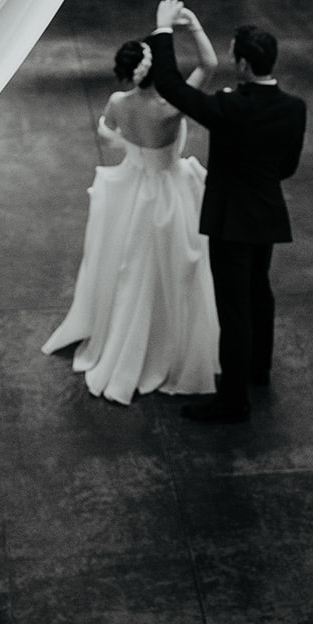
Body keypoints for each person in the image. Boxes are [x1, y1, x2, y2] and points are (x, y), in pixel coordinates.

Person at [41, 23, 221, 405]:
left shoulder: (118, 102)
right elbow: (209, 63)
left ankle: (126, 337)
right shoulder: (171, 107)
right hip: (168, 193)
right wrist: (188, 26)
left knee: (129, 267)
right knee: (172, 270)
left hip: (131, 187)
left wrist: (128, 145)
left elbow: (107, 129)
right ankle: (167, 343)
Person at [148, 0, 306, 424]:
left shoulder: (230, 108)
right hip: (267, 214)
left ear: (241, 65)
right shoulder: (294, 108)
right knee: (260, 292)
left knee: (234, 308)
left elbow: (171, 86)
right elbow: (287, 167)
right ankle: (260, 369)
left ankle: (233, 401)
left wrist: (163, 30)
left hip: (231, 220)